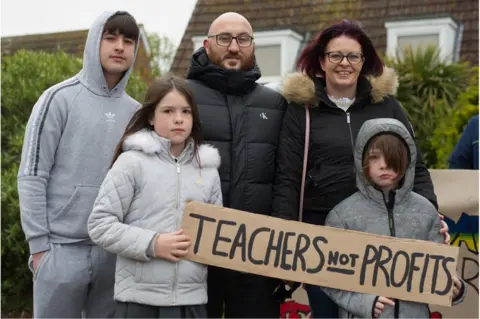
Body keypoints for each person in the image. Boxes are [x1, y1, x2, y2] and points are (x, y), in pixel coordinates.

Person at [272, 20, 450, 318]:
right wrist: (284, 238)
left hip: (385, 239)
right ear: (321, 61)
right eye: (336, 56)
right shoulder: (301, 110)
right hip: (324, 243)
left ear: (363, 61)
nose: (345, 63)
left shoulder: (387, 106)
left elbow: (414, 167)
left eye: (353, 56)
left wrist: (430, 212)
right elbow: (288, 177)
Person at [17, 11, 141, 318]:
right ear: (93, 42)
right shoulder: (57, 99)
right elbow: (33, 175)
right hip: (59, 250)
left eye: (128, 40)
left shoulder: (137, 113)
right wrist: (40, 248)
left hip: (113, 254)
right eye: (110, 37)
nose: (119, 46)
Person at [87, 75, 222, 318]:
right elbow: (99, 225)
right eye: (168, 110)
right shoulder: (131, 163)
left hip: (191, 302)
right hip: (138, 301)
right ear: (150, 117)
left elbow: (215, 236)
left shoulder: (209, 170)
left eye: (186, 111)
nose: (178, 118)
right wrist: (153, 244)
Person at [186, 11, 288, 318]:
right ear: (206, 44)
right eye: (224, 38)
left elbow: (286, 175)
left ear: (253, 45)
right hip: (193, 249)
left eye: (243, 39)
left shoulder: (275, 104)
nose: (234, 46)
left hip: (256, 251)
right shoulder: (182, 97)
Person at [321, 118, 466, 318]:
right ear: (361, 159)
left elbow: (439, 272)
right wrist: (364, 302)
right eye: (374, 157)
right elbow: (329, 277)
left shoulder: (425, 212)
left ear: (407, 160)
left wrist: (454, 289)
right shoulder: (342, 215)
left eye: (392, 157)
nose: (384, 165)